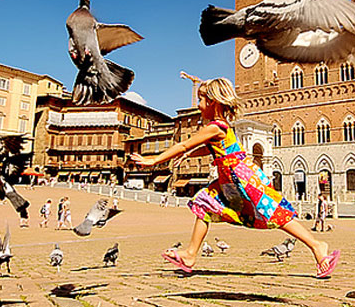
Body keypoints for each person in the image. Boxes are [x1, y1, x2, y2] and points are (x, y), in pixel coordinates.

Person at [130, 77, 340, 278]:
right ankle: (191, 254)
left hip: (241, 177)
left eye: (201, 100)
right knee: (204, 204)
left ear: (212, 102)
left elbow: (185, 143)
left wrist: (154, 160)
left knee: (273, 211)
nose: (199, 105)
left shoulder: (215, 126)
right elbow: (211, 149)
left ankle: (317, 246)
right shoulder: (219, 128)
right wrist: (187, 155)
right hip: (229, 178)